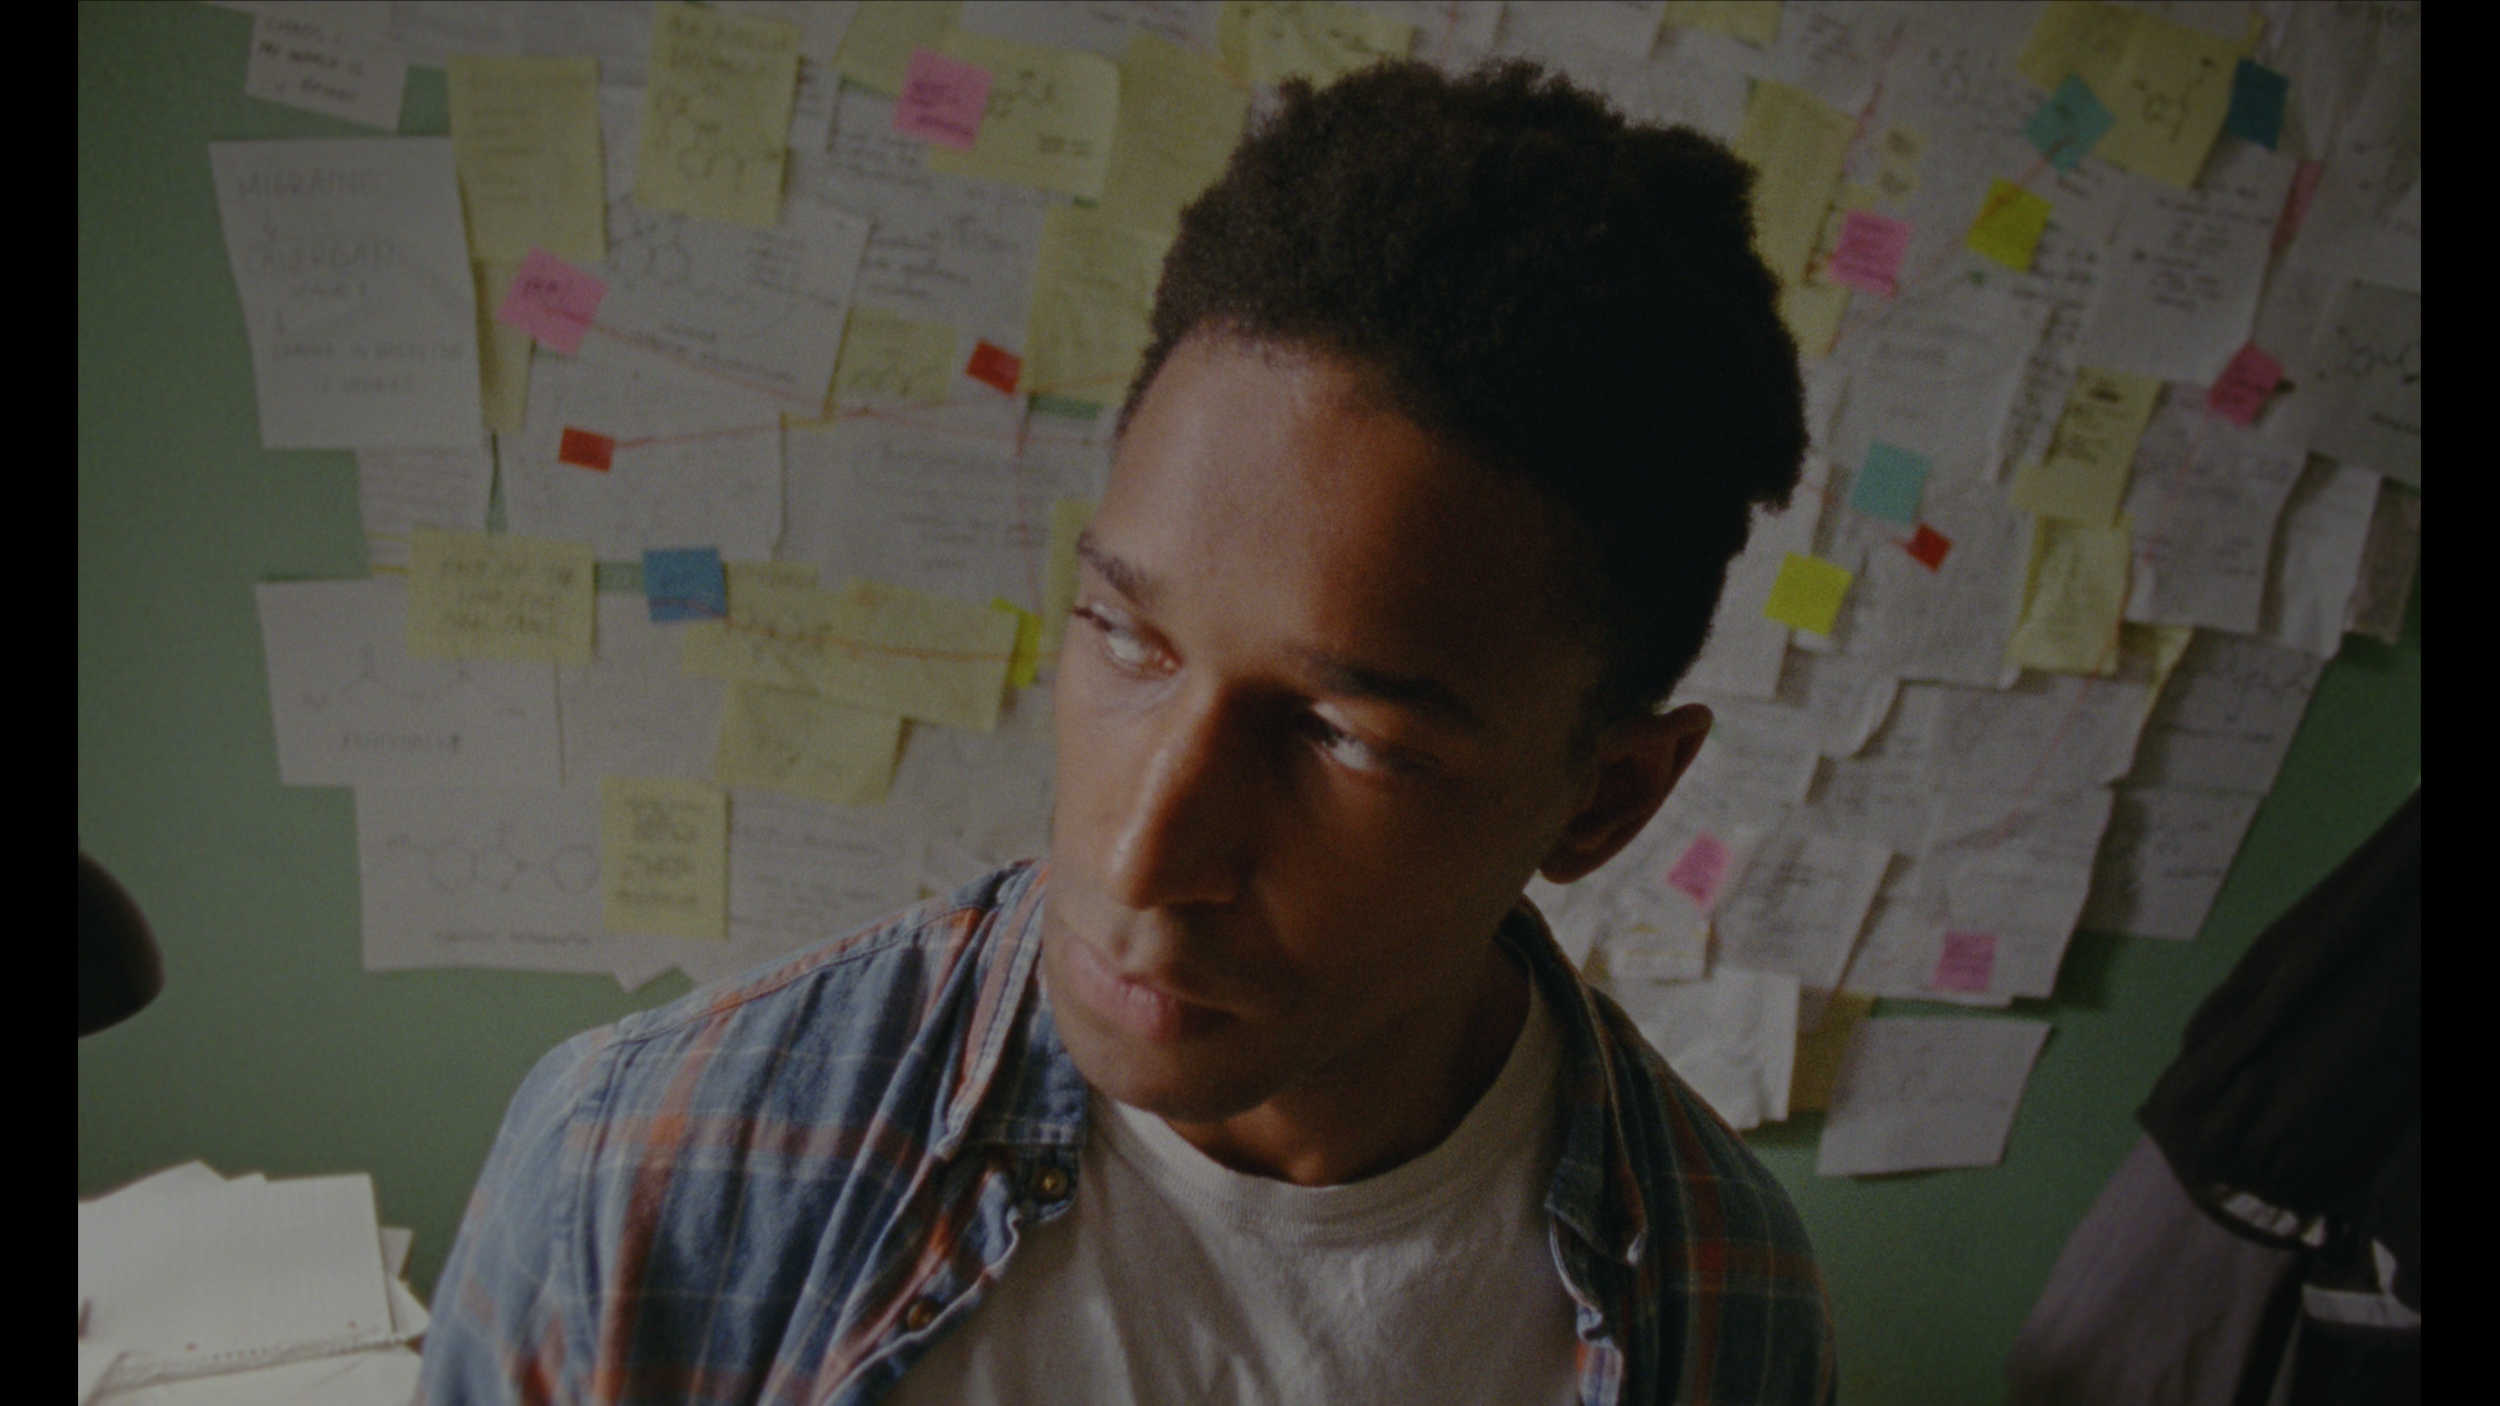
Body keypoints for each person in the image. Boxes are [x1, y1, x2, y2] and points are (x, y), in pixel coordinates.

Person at [419, 59, 1835, 1405]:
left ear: (1605, 799)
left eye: (1343, 735)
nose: (1144, 850)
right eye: (1125, 636)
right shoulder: (643, 1173)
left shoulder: (1722, 1302)